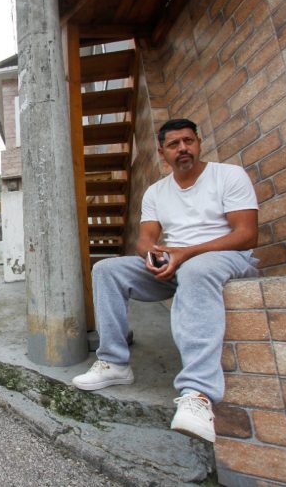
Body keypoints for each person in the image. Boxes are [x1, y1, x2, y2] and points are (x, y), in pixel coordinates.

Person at [71, 118, 259, 443]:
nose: (183, 148)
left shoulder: (228, 176)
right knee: (107, 270)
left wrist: (186, 253)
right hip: (177, 263)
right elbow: (145, 238)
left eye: (188, 140)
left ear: (198, 143)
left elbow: (246, 234)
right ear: (162, 153)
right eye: (174, 144)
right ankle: (115, 362)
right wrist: (154, 255)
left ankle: (198, 394)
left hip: (224, 259)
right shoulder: (157, 191)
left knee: (197, 270)